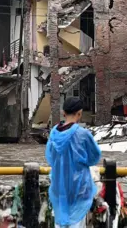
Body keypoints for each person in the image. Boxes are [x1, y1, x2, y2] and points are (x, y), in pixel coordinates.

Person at [46, 97, 102, 228]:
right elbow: (94, 157)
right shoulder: (83, 134)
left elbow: (50, 157)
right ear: (80, 113)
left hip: (58, 186)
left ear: (63, 113)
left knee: (59, 223)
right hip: (79, 187)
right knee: (77, 223)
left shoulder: (53, 134)